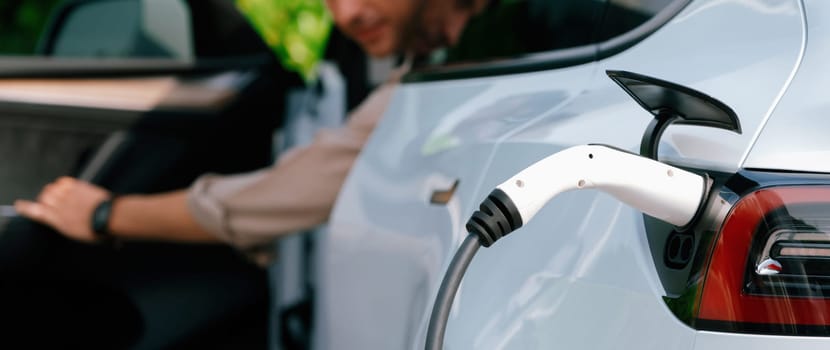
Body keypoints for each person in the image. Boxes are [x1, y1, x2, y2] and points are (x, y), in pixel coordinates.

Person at [15, 0, 492, 253]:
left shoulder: (507, 52)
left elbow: (290, 192)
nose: (347, 13)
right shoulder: (434, 64)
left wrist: (108, 216)